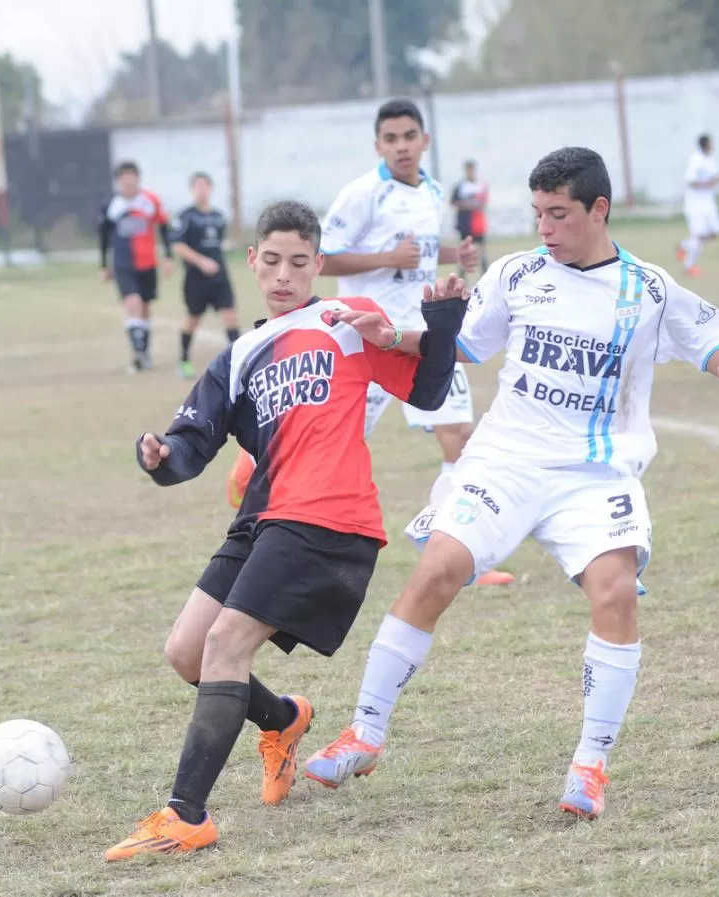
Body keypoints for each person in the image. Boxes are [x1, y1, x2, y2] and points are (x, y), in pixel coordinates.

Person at [305, 147, 719, 820]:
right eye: (538, 214)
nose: (546, 228)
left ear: (598, 209)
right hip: (506, 458)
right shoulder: (518, 274)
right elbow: (460, 344)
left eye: (560, 214)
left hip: (594, 471)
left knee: (615, 593)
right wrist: (397, 332)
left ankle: (589, 766)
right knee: (437, 569)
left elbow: (704, 337)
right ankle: (366, 732)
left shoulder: (647, 288)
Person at [104, 200, 469, 861]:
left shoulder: (349, 323)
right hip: (265, 516)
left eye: (299, 262)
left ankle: (186, 815)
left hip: (329, 515)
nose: (283, 275)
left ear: (318, 265)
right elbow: (193, 441)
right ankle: (282, 719)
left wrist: (440, 325)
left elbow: (431, 389)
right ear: (253, 261)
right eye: (270, 261)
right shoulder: (240, 354)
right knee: (187, 652)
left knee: (224, 644)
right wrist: (159, 455)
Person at [226, 98, 514, 587]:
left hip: (420, 337)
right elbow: (323, 258)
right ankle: (253, 472)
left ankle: (452, 545)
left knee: (460, 436)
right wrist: (387, 258)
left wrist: (452, 253)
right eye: (391, 139)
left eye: (409, 137)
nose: (401, 147)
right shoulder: (362, 194)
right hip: (365, 338)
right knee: (315, 441)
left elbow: (415, 253)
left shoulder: (433, 191)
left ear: (425, 140)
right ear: (378, 145)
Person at [98, 160, 175, 372]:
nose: (128, 181)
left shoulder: (150, 201)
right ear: (118, 181)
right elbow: (103, 235)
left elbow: (164, 228)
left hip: (147, 263)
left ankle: (145, 352)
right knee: (133, 303)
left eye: (131, 176)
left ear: (138, 178)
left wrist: (168, 256)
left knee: (145, 307)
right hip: (123, 264)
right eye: (123, 177)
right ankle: (138, 355)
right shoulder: (111, 205)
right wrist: (104, 265)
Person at [171, 172, 241, 379]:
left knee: (230, 316)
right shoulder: (185, 216)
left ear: (211, 189)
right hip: (196, 278)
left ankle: (237, 363)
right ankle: (184, 360)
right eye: (197, 186)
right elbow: (178, 246)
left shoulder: (218, 217)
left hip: (220, 276)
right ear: (192, 190)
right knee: (192, 319)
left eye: (205, 186)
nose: (201, 190)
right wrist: (201, 262)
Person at [676, 134, 719, 276]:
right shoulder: (696, 160)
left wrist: (716, 180)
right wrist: (709, 183)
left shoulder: (709, 159)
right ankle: (689, 267)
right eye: (711, 144)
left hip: (708, 203)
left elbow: (712, 178)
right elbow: (690, 181)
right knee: (698, 236)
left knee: (716, 232)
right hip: (696, 204)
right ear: (706, 145)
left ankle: (684, 246)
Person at [452, 158, 490, 274]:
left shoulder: (481, 185)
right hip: (465, 223)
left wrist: (476, 205)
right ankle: (461, 279)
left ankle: (485, 278)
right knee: (464, 252)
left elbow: (484, 202)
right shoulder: (460, 186)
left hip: (478, 223)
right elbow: (453, 202)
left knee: (481, 253)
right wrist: (467, 205)